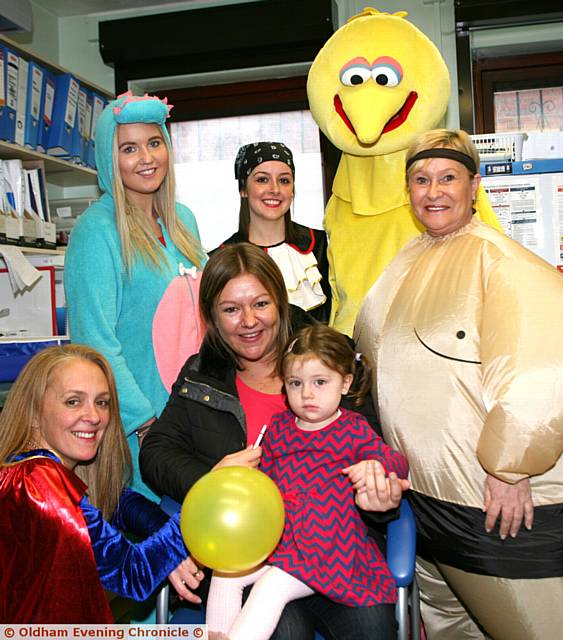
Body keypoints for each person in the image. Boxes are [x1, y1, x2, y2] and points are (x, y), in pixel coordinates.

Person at [355, 129, 563, 640]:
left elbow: (543, 369)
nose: (433, 192)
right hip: (425, 505)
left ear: (474, 186)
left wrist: (511, 468)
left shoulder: (503, 263)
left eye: (448, 178)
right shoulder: (410, 259)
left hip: (492, 505)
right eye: (421, 180)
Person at [140, 243, 407, 640]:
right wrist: (213, 477)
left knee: (372, 627)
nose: (248, 321)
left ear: (280, 302)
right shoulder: (202, 375)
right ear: (212, 316)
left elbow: (373, 454)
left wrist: (380, 499)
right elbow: (156, 453)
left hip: (339, 545)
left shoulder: (327, 361)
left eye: (260, 304)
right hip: (259, 555)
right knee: (283, 630)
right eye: (231, 309)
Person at [206, 324, 409, 640]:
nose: (307, 393)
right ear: (284, 386)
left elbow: (396, 461)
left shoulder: (354, 430)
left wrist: (375, 467)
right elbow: (265, 484)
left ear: (345, 383)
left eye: (320, 382)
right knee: (225, 571)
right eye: (296, 383)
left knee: (269, 587)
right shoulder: (278, 429)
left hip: (329, 549)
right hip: (284, 544)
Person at [65, 91, 206, 501]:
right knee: (152, 548)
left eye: (154, 142)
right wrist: (145, 424)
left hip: (192, 413)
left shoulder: (185, 221)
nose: (146, 157)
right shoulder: (96, 232)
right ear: (110, 160)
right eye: (129, 148)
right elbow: (95, 342)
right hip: (140, 428)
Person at [0, 344, 204, 623]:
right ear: (34, 411)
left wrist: (163, 533)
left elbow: (118, 502)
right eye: (73, 401)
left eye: (102, 402)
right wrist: (208, 499)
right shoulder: (38, 485)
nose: (94, 417)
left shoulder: (28, 471)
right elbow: (133, 575)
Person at [214, 141, 331, 322]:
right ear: (243, 189)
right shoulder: (220, 257)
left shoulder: (320, 244)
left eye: (284, 180)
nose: (275, 189)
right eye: (262, 179)